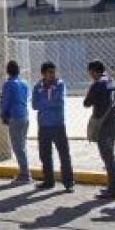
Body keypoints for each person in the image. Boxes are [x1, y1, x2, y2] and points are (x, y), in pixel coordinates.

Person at [32, 62, 74, 192]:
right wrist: (48, 101)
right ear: (43, 73)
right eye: (50, 72)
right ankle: (48, 181)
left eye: (54, 72)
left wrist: (44, 101)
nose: (53, 75)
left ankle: (68, 182)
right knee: (45, 154)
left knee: (64, 154)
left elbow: (58, 101)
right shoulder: (38, 86)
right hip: (44, 125)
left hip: (57, 124)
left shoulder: (59, 84)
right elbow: (34, 105)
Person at [84, 59, 115, 200]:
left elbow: (87, 103)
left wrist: (91, 89)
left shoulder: (98, 84)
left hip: (103, 123)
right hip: (113, 120)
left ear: (93, 71)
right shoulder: (112, 81)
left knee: (108, 156)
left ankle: (113, 190)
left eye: (90, 73)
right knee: (111, 154)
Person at [1, 60, 30, 183]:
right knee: (22, 145)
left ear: (8, 71)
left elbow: (6, 101)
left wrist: (3, 114)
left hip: (15, 116)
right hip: (24, 115)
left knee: (17, 146)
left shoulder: (8, 84)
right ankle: (25, 171)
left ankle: (25, 174)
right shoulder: (24, 83)